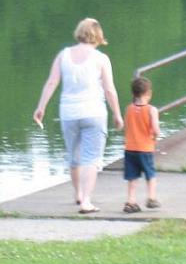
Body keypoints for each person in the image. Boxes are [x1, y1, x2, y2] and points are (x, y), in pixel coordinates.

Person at [33, 17, 123, 214]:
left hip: (69, 113)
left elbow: (51, 82)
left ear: (79, 32)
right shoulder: (101, 59)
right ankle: (86, 201)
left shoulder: (63, 55)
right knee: (91, 158)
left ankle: (78, 194)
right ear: (98, 35)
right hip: (94, 112)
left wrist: (41, 107)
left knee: (74, 155)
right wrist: (117, 113)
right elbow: (109, 90)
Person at [123, 76, 161, 212]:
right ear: (148, 93)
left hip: (130, 148)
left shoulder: (129, 109)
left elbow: (126, 127)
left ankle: (130, 201)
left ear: (133, 93)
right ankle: (151, 198)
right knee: (150, 174)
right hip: (145, 148)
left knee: (132, 176)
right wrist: (155, 136)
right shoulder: (152, 110)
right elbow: (156, 129)